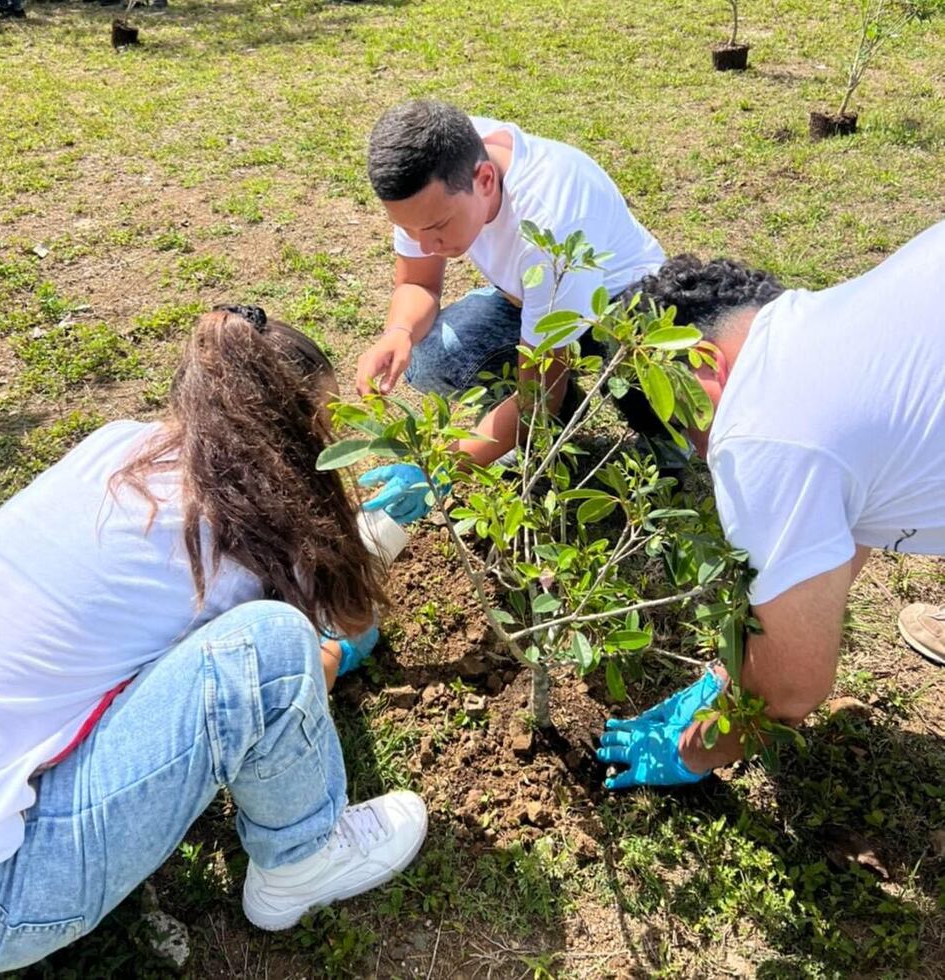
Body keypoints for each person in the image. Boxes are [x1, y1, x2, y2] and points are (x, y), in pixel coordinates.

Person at [0, 306, 427, 975]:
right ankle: (302, 859)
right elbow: (299, 662)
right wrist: (329, 632)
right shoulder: (238, 558)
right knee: (270, 645)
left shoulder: (116, 446)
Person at [596, 221, 945, 789]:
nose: (703, 452)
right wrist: (736, 666)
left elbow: (791, 691)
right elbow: (837, 528)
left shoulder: (759, 430)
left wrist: (695, 750)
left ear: (703, 364)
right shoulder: (826, 324)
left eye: (685, 427)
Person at [354, 98, 667, 523]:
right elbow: (417, 281)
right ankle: (551, 427)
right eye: (410, 231)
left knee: (633, 390)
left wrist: (441, 466)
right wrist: (399, 332)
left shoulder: (549, 222)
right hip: (530, 302)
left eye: (435, 228)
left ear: (484, 180)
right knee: (432, 356)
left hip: (624, 311)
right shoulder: (434, 171)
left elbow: (537, 395)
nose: (425, 245)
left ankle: (665, 449)